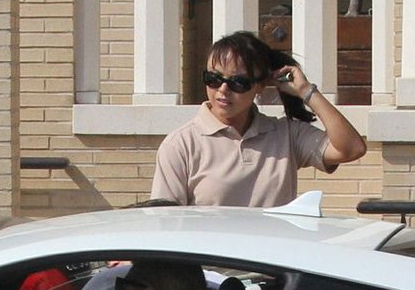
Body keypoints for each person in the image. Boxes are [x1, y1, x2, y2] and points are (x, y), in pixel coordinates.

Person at [151, 29, 366, 207]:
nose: (223, 90)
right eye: (213, 78)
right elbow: (165, 223)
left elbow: (352, 148)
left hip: (273, 248)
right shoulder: (181, 145)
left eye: (238, 82)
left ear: (260, 85)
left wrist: (307, 91)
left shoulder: (286, 135)